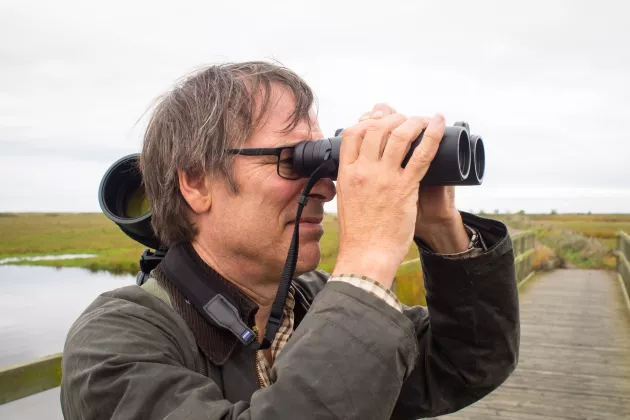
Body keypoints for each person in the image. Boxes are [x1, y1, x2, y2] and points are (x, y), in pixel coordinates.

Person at [60, 61, 519, 420]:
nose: (327, 186)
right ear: (197, 183)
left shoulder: (314, 300)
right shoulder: (115, 343)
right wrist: (368, 262)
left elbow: (466, 365)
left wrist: (439, 227)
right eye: (293, 160)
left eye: (325, 160)